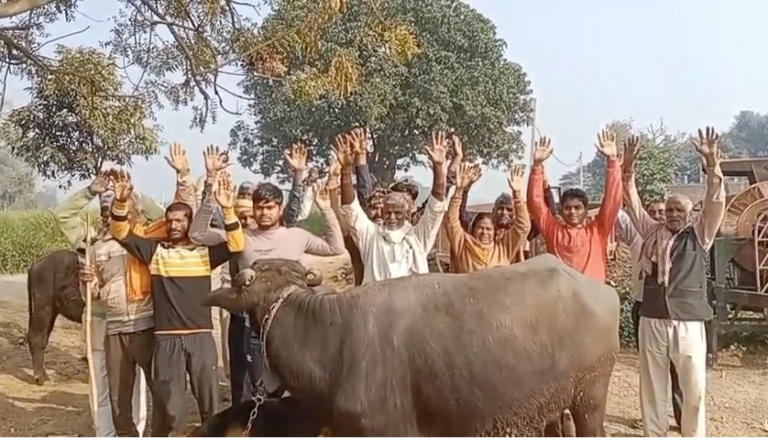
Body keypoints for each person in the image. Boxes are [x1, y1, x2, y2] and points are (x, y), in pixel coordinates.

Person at [189, 142, 345, 404]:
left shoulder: (296, 236)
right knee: (248, 393)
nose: (263, 212)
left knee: (295, 389)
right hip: (249, 325)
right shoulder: (240, 238)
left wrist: (326, 209)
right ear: (253, 208)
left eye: (269, 207)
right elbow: (196, 234)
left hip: (294, 325)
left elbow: (335, 247)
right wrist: (213, 193)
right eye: (259, 207)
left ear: (279, 209)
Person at [54, 156, 193, 437]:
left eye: (119, 206)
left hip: (144, 322)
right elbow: (63, 215)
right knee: (107, 388)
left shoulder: (147, 236)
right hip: (104, 323)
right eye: (107, 208)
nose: (112, 212)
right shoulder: (93, 240)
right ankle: (109, 434)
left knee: (145, 387)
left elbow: (175, 213)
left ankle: (147, 432)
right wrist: (91, 190)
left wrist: (130, 192)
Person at [109, 168, 245, 436]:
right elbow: (120, 231)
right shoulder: (155, 253)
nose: (174, 225)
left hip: (201, 337)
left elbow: (237, 244)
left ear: (190, 224)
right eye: (170, 221)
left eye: (181, 221)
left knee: (210, 406)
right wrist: (121, 202)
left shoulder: (205, 255)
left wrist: (228, 210)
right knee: (172, 408)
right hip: (166, 339)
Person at [622, 128, 725, 437]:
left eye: (680, 209)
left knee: (694, 387)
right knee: (652, 386)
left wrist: (711, 164)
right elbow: (631, 199)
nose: (673, 214)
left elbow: (716, 200)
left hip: (688, 320)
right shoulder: (651, 231)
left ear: (690, 213)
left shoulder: (700, 234)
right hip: (652, 317)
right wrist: (629, 165)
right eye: (669, 210)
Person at [338, 130, 448, 283]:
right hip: (376, 299)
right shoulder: (370, 235)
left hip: (413, 299)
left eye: (397, 213)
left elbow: (435, 207)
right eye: (387, 213)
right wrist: (345, 170)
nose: (392, 217)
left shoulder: (418, 237)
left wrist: (439, 167)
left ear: (407, 214)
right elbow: (351, 208)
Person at [526, 132, 622, 283]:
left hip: (592, 295)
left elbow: (613, 200)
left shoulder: (597, 231)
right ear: (561, 210)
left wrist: (612, 162)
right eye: (568, 208)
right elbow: (535, 203)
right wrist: (537, 166)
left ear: (585, 210)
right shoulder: (553, 231)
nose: (572, 212)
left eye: (577, 208)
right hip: (562, 295)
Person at [447, 162, 530, 273]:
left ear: (495, 232)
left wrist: (518, 194)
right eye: (481, 228)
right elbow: (451, 222)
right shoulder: (463, 245)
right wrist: (459, 190)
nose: (484, 233)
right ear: (472, 229)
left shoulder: (503, 249)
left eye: (489, 229)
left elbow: (523, 226)